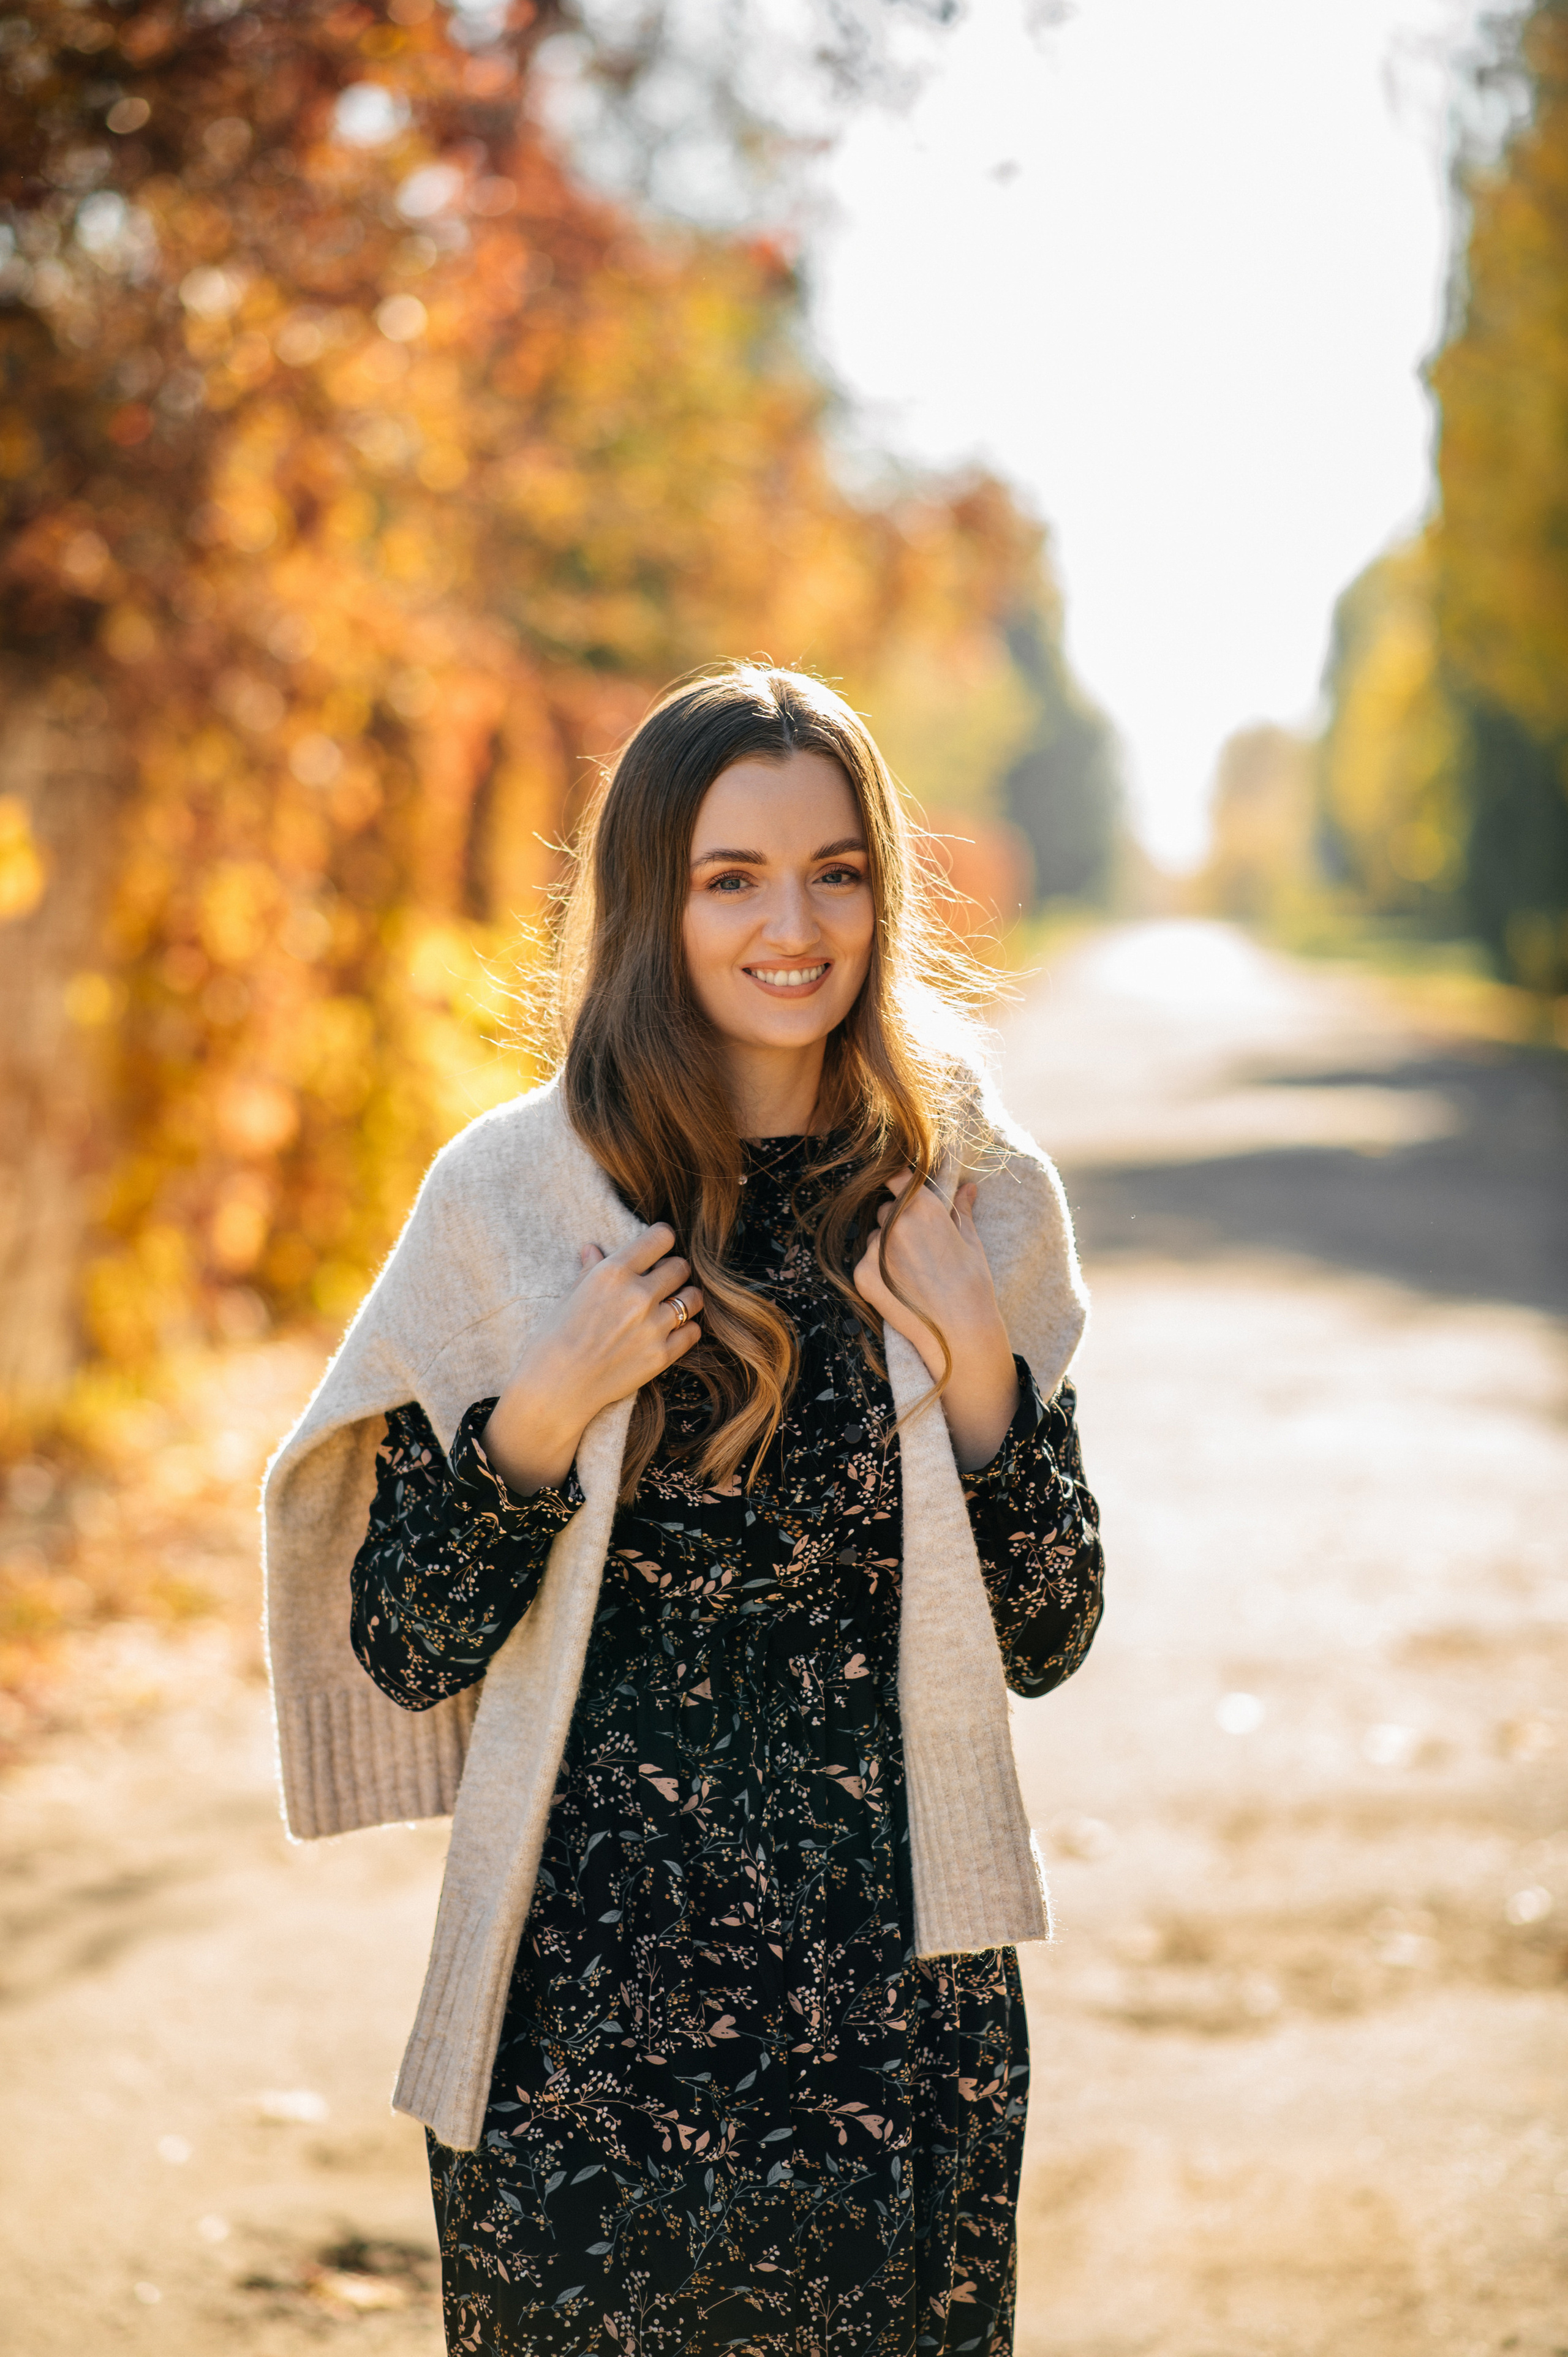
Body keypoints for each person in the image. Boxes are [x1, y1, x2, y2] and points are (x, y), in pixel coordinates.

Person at [263, 663, 1104, 2357]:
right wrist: (540, 1419)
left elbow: (1051, 1635)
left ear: (880, 883)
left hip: (896, 2047)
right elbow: (409, 1647)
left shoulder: (971, 1190)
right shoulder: (515, 1197)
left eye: (837, 871)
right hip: (578, 2041)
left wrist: (987, 1372)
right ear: (657, 897)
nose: (794, 926)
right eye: (733, 878)